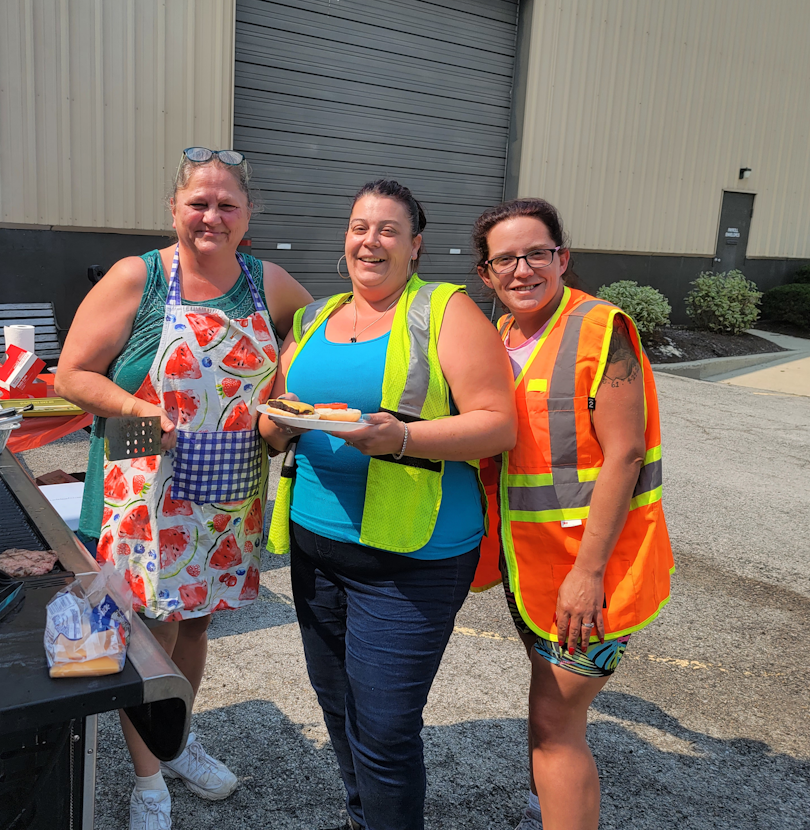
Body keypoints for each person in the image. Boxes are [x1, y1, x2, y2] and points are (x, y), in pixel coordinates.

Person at [56, 147, 312, 830]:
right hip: (143, 480)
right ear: (174, 208)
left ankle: (174, 739)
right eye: (198, 202)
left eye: (227, 203)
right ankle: (148, 784)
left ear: (248, 215)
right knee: (145, 632)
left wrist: (286, 394)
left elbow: (317, 346)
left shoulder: (270, 283)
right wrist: (140, 409)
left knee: (195, 621)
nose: (212, 215)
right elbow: (72, 373)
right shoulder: (137, 278)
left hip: (230, 487)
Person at [258, 179, 517, 830]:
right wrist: (278, 419)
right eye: (359, 226)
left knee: (385, 731)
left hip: (412, 560)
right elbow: (279, 417)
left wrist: (401, 436)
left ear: (415, 245)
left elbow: (498, 423)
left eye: (387, 229)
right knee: (339, 709)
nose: (369, 240)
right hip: (317, 550)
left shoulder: (445, 310)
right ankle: (360, 816)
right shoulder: (316, 316)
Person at [472, 198, 674, 830]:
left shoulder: (600, 328)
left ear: (563, 256)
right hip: (531, 567)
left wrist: (587, 574)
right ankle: (554, 805)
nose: (523, 269)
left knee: (555, 727)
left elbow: (625, 454)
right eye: (505, 258)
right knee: (551, 716)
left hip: (596, 572)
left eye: (537, 253)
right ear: (486, 273)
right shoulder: (501, 336)